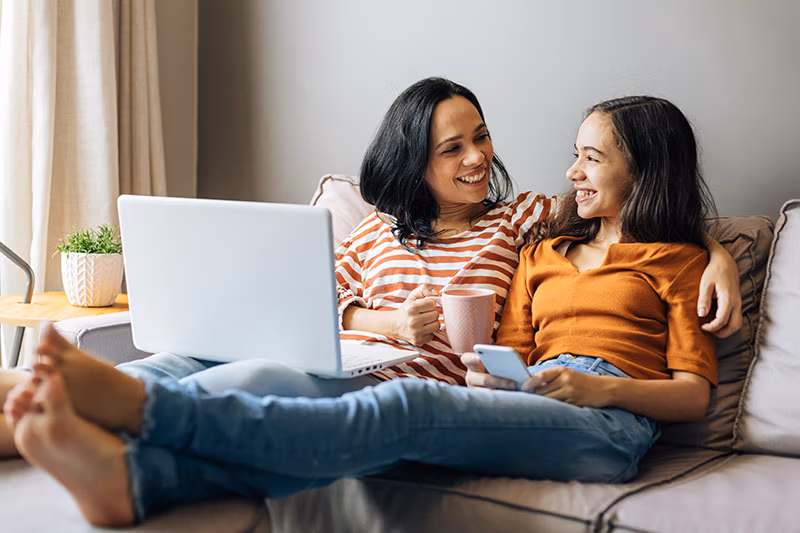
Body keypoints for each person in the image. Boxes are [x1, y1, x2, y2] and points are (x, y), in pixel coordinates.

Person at [8, 95, 720, 527]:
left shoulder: (660, 256)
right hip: (523, 392)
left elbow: (692, 392)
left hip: (610, 419)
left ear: (644, 170)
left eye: (590, 158)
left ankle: (137, 409)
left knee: (401, 407)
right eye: (574, 155)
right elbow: (508, 354)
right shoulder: (546, 247)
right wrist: (488, 374)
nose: (570, 171)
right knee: (253, 376)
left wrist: (712, 256)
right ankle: (114, 463)